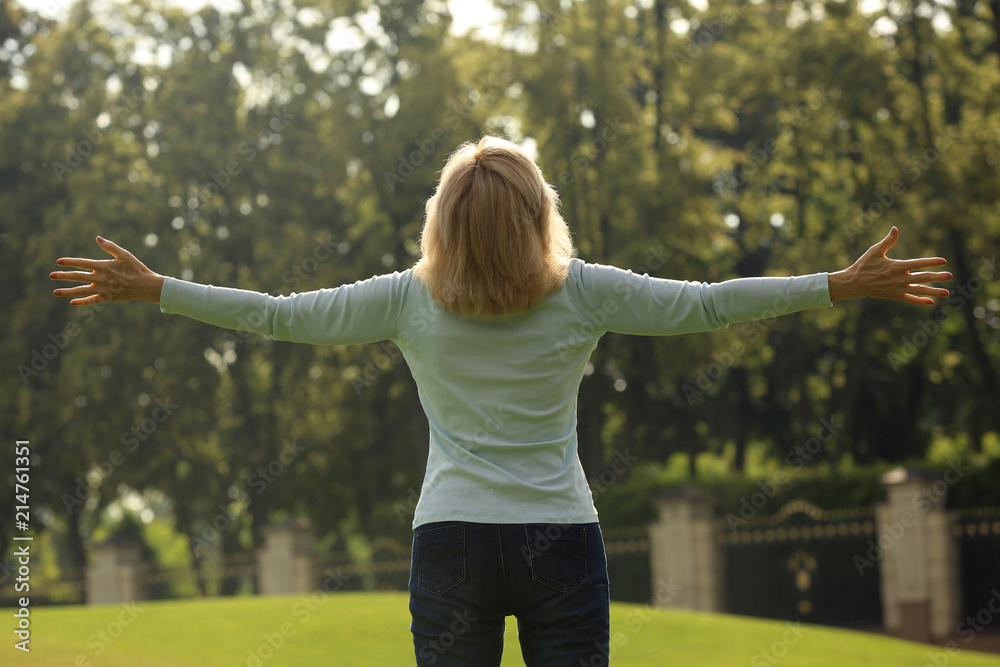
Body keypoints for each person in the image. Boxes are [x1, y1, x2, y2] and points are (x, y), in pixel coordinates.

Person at [51, 135, 951, 666]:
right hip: (560, 539)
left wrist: (158, 287)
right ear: (536, 214)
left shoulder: (407, 296)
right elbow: (710, 302)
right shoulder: (583, 289)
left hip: (448, 542)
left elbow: (280, 318)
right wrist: (836, 283)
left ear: (443, 221)